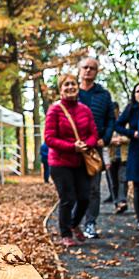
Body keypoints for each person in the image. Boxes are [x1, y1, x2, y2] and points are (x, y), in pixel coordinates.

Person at [45, 73, 98, 247]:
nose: (70, 87)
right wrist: (72, 146)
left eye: (73, 84)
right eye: (66, 85)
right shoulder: (55, 110)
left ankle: (74, 224)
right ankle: (65, 233)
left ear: (77, 87)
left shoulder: (85, 110)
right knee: (68, 198)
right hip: (60, 162)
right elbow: (49, 138)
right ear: (60, 90)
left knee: (84, 197)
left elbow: (93, 133)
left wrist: (86, 145)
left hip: (81, 161)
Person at [76, 57, 115, 239]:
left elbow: (110, 119)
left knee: (93, 188)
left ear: (97, 72)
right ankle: (73, 222)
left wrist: (105, 139)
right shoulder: (72, 92)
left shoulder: (103, 95)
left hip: (95, 148)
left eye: (92, 68)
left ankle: (90, 223)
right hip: (74, 148)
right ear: (79, 69)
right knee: (74, 186)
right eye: (85, 67)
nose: (88, 71)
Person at [116, 82, 139, 231]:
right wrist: (132, 133)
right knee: (138, 187)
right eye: (137, 91)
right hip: (136, 150)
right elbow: (117, 125)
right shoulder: (131, 108)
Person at [103, 101, 120, 203]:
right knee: (110, 177)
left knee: (120, 178)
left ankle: (119, 198)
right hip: (110, 153)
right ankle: (113, 196)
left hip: (121, 154)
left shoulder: (122, 120)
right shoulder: (107, 122)